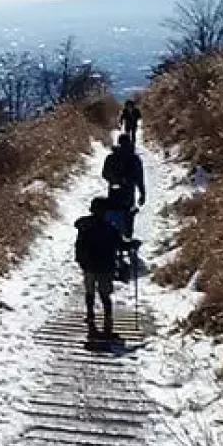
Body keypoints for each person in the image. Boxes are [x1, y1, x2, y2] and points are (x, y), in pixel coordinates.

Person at [75, 197, 131, 336]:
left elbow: (79, 246)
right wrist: (133, 244)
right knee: (105, 293)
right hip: (105, 267)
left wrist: (80, 261)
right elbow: (121, 245)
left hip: (88, 265)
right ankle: (107, 318)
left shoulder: (84, 226)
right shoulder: (110, 229)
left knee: (89, 292)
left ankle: (90, 315)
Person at [102, 134, 146, 238]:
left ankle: (113, 240)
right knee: (128, 215)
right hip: (128, 192)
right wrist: (142, 193)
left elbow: (105, 174)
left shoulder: (111, 157)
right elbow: (140, 178)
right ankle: (127, 239)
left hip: (114, 191)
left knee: (114, 215)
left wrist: (115, 180)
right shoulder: (135, 158)